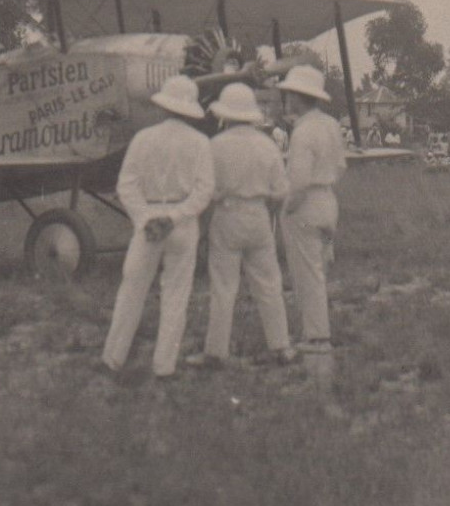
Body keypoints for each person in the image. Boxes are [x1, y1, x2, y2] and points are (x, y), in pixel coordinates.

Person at [102, 75, 214, 379]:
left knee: (132, 289)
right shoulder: (201, 143)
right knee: (176, 293)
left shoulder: (143, 138)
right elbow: (204, 191)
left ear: (164, 106)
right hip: (182, 222)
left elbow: (126, 184)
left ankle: (113, 358)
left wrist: (145, 218)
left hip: (149, 219)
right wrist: (175, 217)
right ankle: (164, 366)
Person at [188, 82, 296, 369]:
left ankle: (216, 351)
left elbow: (206, 193)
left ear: (226, 114)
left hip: (227, 214)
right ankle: (281, 346)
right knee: (269, 284)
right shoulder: (267, 146)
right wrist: (266, 210)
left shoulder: (216, 146)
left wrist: (202, 228)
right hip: (258, 215)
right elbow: (282, 191)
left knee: (223, 286)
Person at [278, 65, 347, 352]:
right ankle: (317, 332)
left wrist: (288, 207)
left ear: (296, 96)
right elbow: (341, 165)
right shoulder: (330, 125)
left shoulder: (302, 131)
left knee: (306, 272)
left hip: (306, 203)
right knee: (318, 268)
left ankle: (317, 336)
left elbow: (300, 179)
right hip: (328, 199)